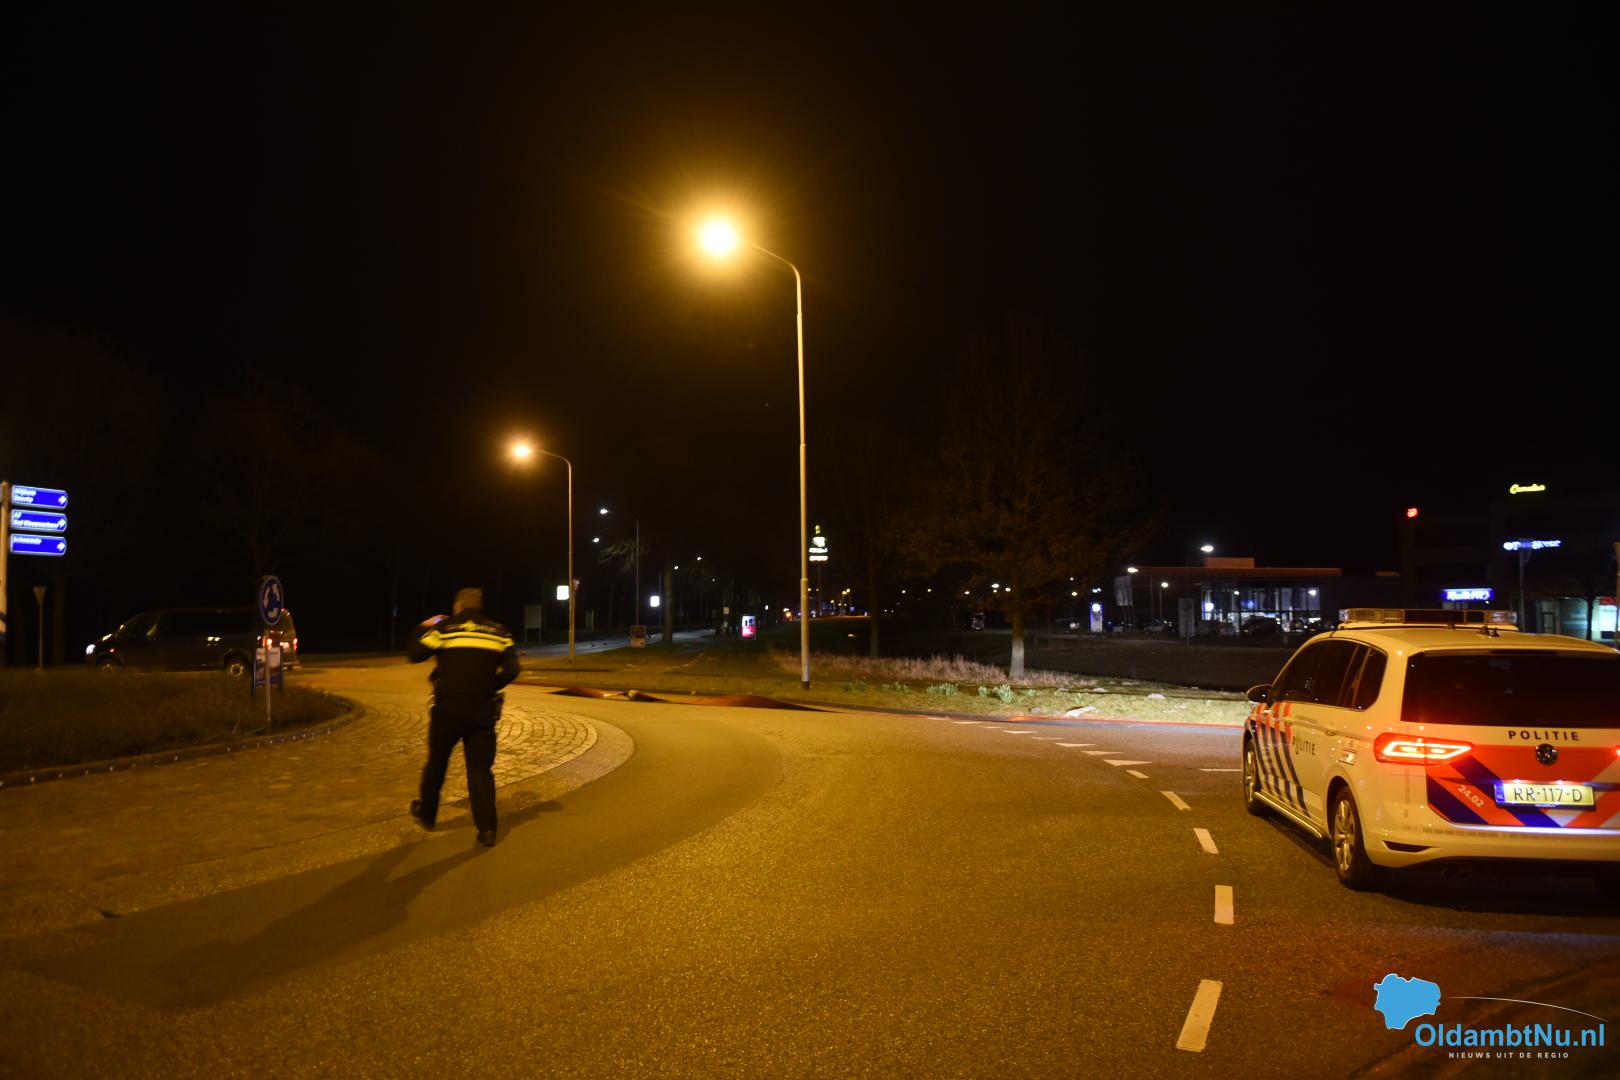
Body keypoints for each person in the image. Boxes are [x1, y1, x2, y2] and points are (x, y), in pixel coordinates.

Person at [406, 587, 521, 847]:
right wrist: (490, 687)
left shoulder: (444, 629)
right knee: (480, 769)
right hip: (482, 710)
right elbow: (513, 669)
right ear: (479, 606)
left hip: (448, 710)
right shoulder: (499, 632)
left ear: (458, 606)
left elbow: (415, 654)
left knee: (437, 761)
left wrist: (424, 625)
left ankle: (427, 813)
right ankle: (487, 829)